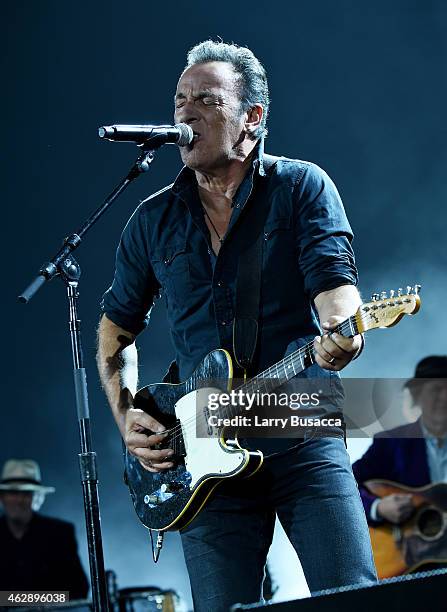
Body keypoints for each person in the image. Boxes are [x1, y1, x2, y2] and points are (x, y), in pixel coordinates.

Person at [97, 40, 377, 611]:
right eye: (180, 100)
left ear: (253, 116)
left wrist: (340, 329)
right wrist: (126, 413)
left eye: (206, 99)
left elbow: (334, 283)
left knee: (351, 595)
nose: (185, 113)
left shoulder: (302, 187)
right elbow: (114, 333)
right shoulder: (152, 220)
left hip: (301, 425)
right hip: (202, 454)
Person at [353, 356, 447, 526]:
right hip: (406, 549)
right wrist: (377, 507)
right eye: (437, 389)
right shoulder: (390, 443)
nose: (445, 397)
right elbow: (346, 485)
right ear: (418, 395)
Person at [0, 459, 89, 599]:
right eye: (13, 492)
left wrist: (12, 600)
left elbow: (78, 589)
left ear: (37, 498)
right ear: (2, 497)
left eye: (26, 493)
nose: (19, 500)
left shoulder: (59, 534)